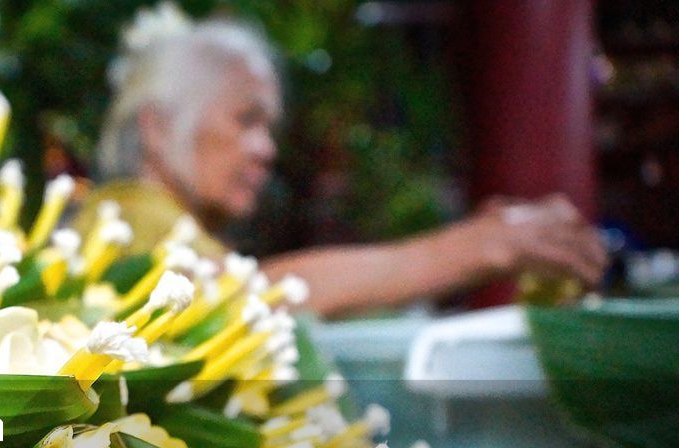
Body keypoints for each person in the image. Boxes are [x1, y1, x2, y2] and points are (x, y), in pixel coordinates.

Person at [81, 5, 607, 316]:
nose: (266, 149)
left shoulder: (162, 225)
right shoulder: (121, 214)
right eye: (246, 120)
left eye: (270, 128)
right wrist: (481, 246)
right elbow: (246, 301)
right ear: (156, 126)